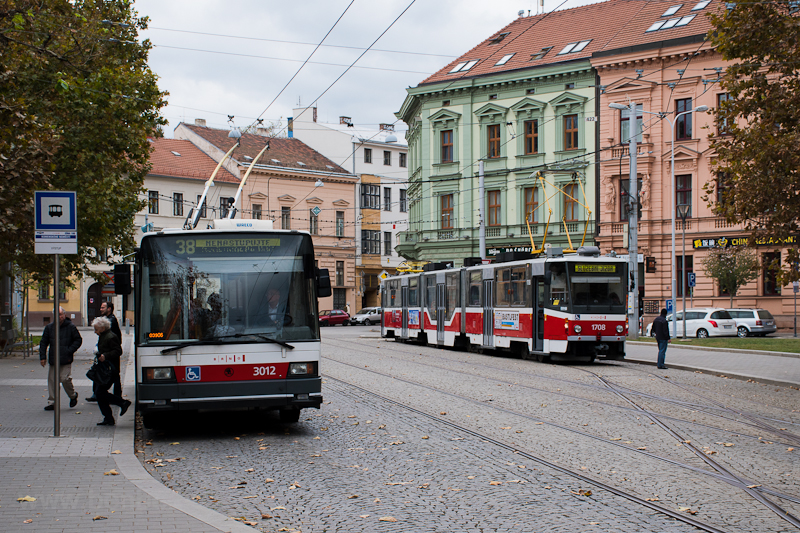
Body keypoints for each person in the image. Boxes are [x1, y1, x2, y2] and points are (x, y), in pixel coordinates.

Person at [39, 307, 82, 410]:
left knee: (64, 379)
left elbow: (78, 340)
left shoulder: (71, 327)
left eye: (61, 314)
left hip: (66, 358)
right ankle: (52, 402)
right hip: (54, 358)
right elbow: (43, 343)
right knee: (52, 380)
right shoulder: (49, 327)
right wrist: (43, 357)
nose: (59, 317)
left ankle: (73, 395)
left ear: (64, 315)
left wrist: (69, 350)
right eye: (57, 315)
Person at [91, 316, 131, 426]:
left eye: (96, 329)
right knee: (100, 394)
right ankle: (109, 417)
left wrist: (105, 356)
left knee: (100, 393)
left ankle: (122, 403)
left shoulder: (110, 336)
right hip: (106, 369)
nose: (95, 332)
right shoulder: (104, 336)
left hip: (110, 370)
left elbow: (118, 351)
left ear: (102, 328)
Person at [88, 301, 122, 402]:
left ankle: (117, 399)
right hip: (107, 355)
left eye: (103, 308)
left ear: (109, 309)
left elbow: (117, 348)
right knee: (111, 376)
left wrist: (105, 355)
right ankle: (111, 397)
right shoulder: (106, 326)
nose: (101, 309)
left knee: (112, 376)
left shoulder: (111, 321)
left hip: (109, 356)